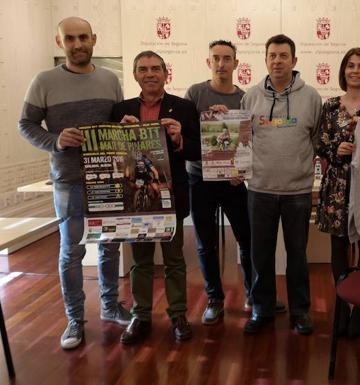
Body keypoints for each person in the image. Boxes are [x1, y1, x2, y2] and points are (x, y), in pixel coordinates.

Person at [18, 16, 131, 350]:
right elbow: (25, 125)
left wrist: (124, 125)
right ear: (60, 43)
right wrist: (55, 140)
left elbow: (115, 126)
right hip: (69, 180)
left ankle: (110, 307)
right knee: (72, 250)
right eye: (70, 38)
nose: (78, 44)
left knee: (110, 247)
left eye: (83, 37)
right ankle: (75, 319)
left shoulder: (111, 80)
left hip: (109, 178)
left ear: (94, 39)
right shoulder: (44, 81)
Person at [185, 40, 286, 325]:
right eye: (216, 58)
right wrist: (210, 122)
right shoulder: (195, 93)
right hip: (199, 178)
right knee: (205, 243)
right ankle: (215, 298)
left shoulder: (244, 98)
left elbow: (247, 141)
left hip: (232, 181)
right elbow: (190, 139)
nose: (221, 64)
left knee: (247, 238)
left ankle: (255, 295)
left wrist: (240, 168)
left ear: (236, 64)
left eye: (227, 58)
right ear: (208, 62)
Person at [111, 50, 201, 344]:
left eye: (155, 68)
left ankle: (178, 314)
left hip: (170, 197)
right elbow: (110, 156)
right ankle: (142, 316)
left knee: (175, 260)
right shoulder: (120, 109)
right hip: (135, 198)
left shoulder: (184, 107)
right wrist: (117, 136)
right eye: (143, 69)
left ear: (166, 73)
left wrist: (178, 139)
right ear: (135, 74)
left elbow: (198, 151)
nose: (150, 74)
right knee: (141, 261)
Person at [241, 34, 322, 335]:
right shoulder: (251, 97)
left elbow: (315, 141)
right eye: (272, 55)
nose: (277, 61)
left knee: (298, 255)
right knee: (260, 254)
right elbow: (242, 142)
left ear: (294, 61)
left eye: (283, 56)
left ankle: (300, 311)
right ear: (265, 60)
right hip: (259, 189)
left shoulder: (311, 97)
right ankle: (262, 309)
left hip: (298, 192)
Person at [315, 47, 360, 335]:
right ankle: (344, 303)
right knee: (339, 246)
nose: (355, 70)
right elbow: (320, 143)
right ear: (343, 71)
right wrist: (337, 148)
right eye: (350, 66)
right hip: (337, 185)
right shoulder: (331, 106)